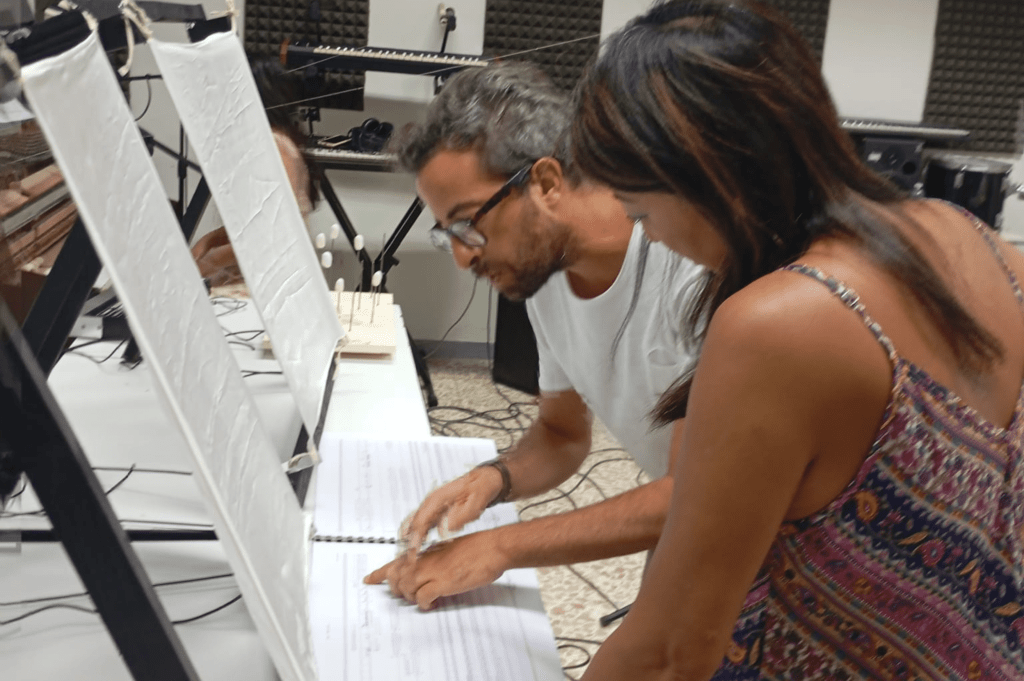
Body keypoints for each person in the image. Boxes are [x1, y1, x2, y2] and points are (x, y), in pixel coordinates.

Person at [568, 1, 1024, 680]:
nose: (652, 238)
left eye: (640, 212)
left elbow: (671, 651)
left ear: (700, 168)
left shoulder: (779, 323)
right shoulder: (979, 239)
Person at [363, 61, 703, 608]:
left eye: (468, 223)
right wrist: (493, 479)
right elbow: (562, 434)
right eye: (447, 233)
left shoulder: (691, 263)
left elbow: (692, 496)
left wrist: (499, 546)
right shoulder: (548, 273)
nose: (461, 257)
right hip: (693, 533)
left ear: (545, 183)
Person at [191, 59, 316, 286]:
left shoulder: (277, 150)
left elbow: (266, 238)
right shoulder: (273, 143)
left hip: (274, 281)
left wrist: (208, 263)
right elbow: (254, 224)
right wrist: (211, 240)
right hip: (260, 273)